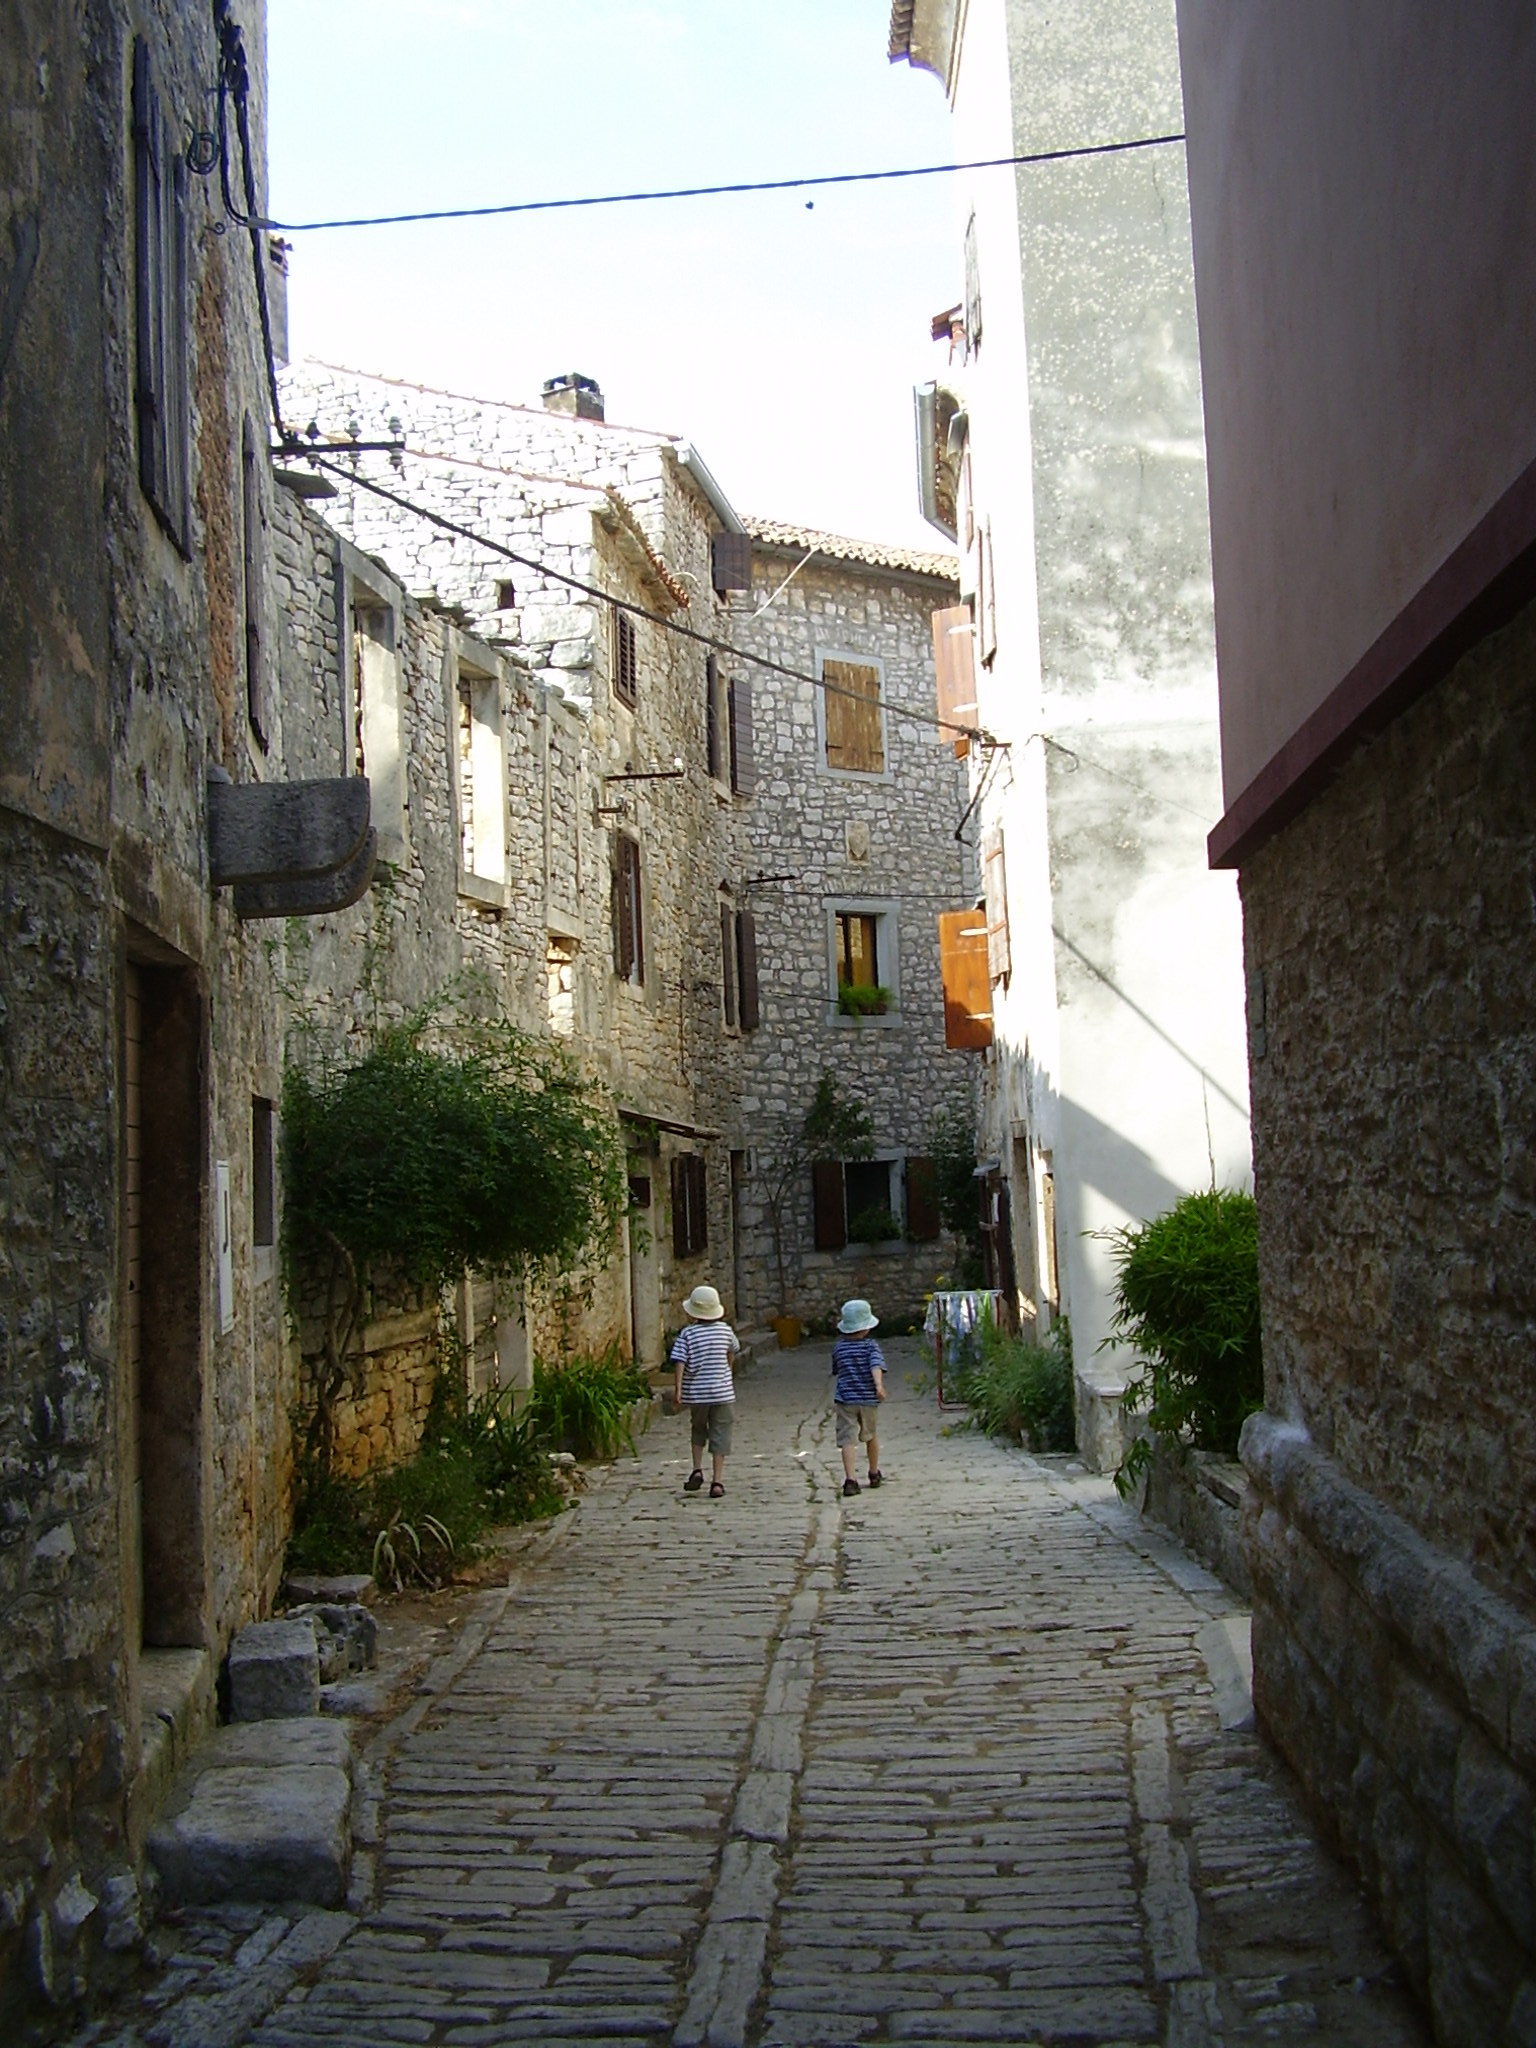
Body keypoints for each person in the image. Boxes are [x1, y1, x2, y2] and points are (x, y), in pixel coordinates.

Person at [671, 1284, 739, 1498]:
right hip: (722, 1393)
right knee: (721, 1434)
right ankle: (717, 1481)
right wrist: (727, 1372)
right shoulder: (725, 1331)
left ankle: (697, 1469)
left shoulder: (688, 1334)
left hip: (697, 1394)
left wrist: (678, 1389)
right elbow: (732, 1351)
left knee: (698, 1429)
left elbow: (680, 1361)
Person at [831, 1298, 886, 1496]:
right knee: (871, 1435)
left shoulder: (839, 1348)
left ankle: (850, 1479)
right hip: (868, 1398)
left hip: (846, 1399)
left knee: (847, 1439)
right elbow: (876, 1366)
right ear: (866, 1328)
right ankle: (873, 1472)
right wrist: (878, 1385)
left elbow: (836, 1369)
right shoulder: (871, 1347)